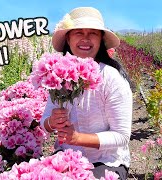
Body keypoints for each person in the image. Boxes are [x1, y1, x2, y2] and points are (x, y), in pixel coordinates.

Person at [40, 7, 133, 179]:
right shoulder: (59, 75)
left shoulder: (111, 78)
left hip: (105, 160)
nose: (85, 39)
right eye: (78, 33)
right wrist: (52, 122)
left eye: (93, 33)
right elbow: (43, 124)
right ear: (68, 38)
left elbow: (121, 136)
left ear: (101, 40)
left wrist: (77, 138)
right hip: (67, 156)